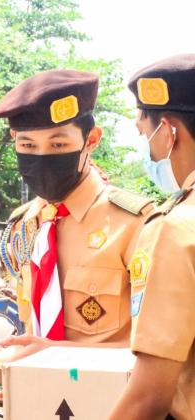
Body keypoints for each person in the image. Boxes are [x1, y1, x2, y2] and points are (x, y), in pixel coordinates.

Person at [0, 69, 153, 383]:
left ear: (91, 140)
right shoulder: (25, 225)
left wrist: (56, 354)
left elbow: (165, 352)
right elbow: (31, 333)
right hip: (35, 400)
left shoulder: (137, 224)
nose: (42, 157)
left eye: (58, 144)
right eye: (28, 145)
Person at [108, 55, 195, 420]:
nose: (148, 150)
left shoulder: (175, 230)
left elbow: (149, 397)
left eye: (145, 135)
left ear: (169, 132)